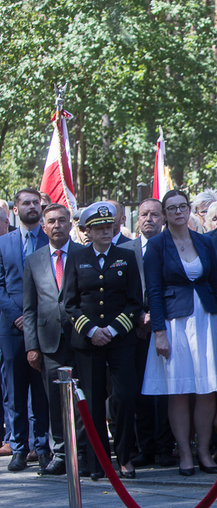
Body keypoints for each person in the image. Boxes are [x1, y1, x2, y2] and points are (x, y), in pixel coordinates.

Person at [142, 189, 217, 476]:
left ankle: (204, 451)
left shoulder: (204, 241)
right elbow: (153, 291)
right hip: (173, 323)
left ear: (189, 210)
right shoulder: (156, 245)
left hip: (205, 321)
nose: (178, 212)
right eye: (172, 208)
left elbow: (214, 283)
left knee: (206, 389)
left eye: (182, 207)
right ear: (164, 214)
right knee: (178, 391)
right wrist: (159, 332)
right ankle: (185, 454)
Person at [62, 202, 143, 481]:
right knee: (93, 401)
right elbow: (69, 303)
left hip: (120, 339)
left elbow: (135, 301)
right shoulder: (77, 257)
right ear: (88, 231)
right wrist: (91, 331)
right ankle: (98, 462)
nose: (106, 232)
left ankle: (124, 457)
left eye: (109, 227)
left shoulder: (126, 256)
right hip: (87, 342)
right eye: (100, 229)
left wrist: (111, 329)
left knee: (125, 396)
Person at [23, 203, 83, 476]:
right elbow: (29, 308)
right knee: (55, 400)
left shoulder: (83, 253)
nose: (56, 225)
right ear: (43, 226)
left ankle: (82, 453)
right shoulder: (34, 260)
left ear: (70, 224)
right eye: (51, 221)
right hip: (48, 343)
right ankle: (60, 453)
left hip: (81, 339)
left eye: (61, 220)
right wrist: (32, 346)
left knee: (82, 398)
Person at [0, 189, 50, 472]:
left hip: (43, 326)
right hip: (12, 327)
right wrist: (18, 316)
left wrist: (34, 318)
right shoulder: (4, 243)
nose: (32, 207)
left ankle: (42, 447)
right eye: (26, 203)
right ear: (15, 209)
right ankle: (18, 447)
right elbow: (0, 285)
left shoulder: (49, 239)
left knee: (41, 390)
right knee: (15, 390)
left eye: (35, 203)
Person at [125, 198, 176, 468]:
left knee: (166, 392)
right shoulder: (125, 250)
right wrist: (138, 318)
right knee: (140, 392)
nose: (149, 219)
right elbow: (120, 292)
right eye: (144, 214)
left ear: (163, 218)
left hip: (165, 328)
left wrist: (156, 320)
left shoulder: (173, 246)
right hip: (135, 332)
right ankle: (145, 447)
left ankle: (166, 447)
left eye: (154, 215)